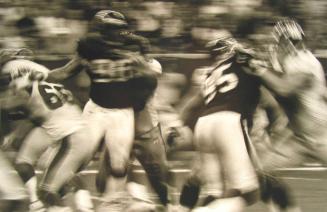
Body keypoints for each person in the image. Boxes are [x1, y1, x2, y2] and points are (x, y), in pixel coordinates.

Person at [47, 10, 166, 211]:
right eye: (110, 29)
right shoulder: (90, 46)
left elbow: (152, 74)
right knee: (79, 156)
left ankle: (111, 204)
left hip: (123, 112)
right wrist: (40, 75)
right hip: (96, 110)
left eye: (116, 29)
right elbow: (66, 71)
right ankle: (56, 196)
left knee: (119, 165)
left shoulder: (135, 45)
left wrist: (142, 68)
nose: (113, 34)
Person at [244, 19, 327, 212]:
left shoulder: (305, 61)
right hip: (298, 137)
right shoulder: (287, 61)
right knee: (264, 173)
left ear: (289, 42)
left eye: (280, 42)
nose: (276, 47)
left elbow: (284, 88)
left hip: (321, 134)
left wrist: (257, 67)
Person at [0, 48, 97, 212]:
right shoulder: (44, 76)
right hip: (65, 128)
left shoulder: (16, 80)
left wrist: (10, 125)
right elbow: (37, 113)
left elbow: (13, 104)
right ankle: (40, 204)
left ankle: (67, 207)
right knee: (24, 161)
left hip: (71, 138)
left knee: (47, 191)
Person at [176, 37, 260, 212]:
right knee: (248, 193)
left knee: (215, 191)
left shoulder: (208, 73)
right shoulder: (241, 62)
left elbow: (191, 103)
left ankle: (181, 209)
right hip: (227, 122)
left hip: (204, 125)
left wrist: (177, 125)